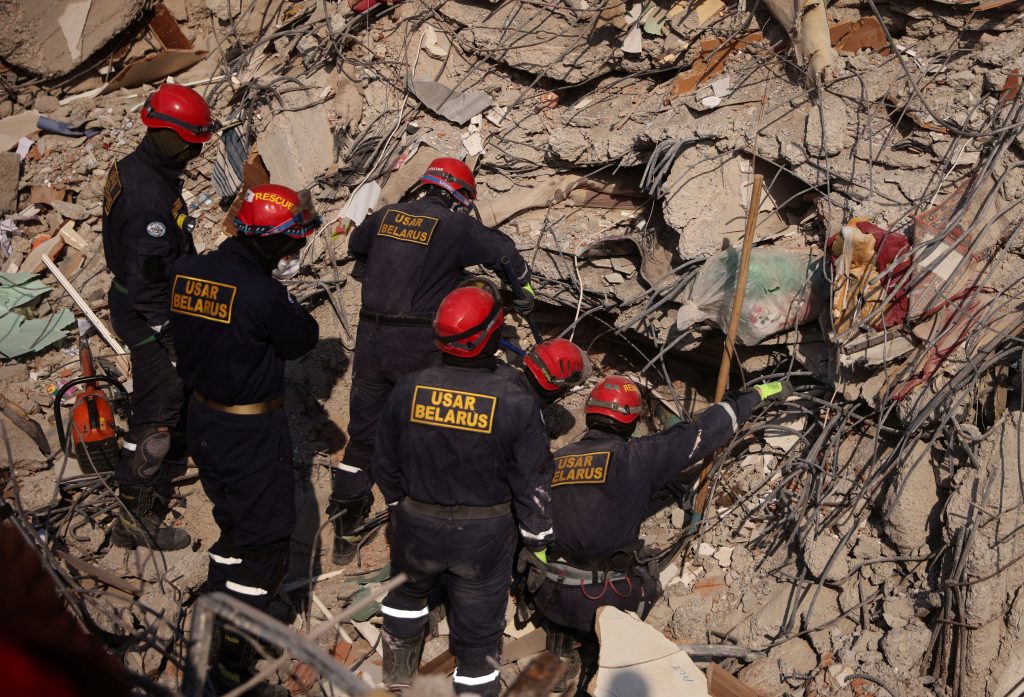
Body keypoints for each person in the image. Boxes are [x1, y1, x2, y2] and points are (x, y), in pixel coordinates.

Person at [522, 375, 793, 692]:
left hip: (547, 594)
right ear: (631, 421)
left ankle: (561, 649)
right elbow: (702, 433)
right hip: (602, 601)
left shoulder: (556, 460)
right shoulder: (636, 457)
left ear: (590, 413)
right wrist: (754, 395)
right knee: (647, 578)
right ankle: (601, 661)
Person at [331, 157, 535, 565]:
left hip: (370, 338)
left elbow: (356, 246)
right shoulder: (456, 226)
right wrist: (523, 292)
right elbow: (505, 253)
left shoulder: (388, 215)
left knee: (364, 434)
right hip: (418, 341)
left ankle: (344, 528)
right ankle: (419, 522)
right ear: (460, 198)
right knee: (428, 426)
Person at [168, 184, 320, 695]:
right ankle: (235, 661)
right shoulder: (261, 294)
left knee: (233, 526)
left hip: (203, 423)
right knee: (267, 541)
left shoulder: (188, 271)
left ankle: (215, 607)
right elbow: (301, 340)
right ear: (276, 243)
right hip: (249, 430)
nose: (295, 252)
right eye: (293, 243)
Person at [373, 285, 555, 696]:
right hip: (483, 535)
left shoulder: (409, 387)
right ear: (491, 335)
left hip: (416, 522)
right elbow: (532, 479)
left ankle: (397, 676)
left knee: (405, 594)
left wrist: (400, 504)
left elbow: (384, 459)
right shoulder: (514, 398)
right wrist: (538, 536)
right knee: (477, 630)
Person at [102, 82, 217, 550]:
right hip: (149, 309)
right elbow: (150, 277)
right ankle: (134, 519)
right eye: (190, 142)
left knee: (178, 388)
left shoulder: (134, 168)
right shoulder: (149, 198)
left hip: (141, 298)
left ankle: (183, 444)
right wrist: (166, 334)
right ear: (169, 136)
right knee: (154, 417)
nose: (194, 151)